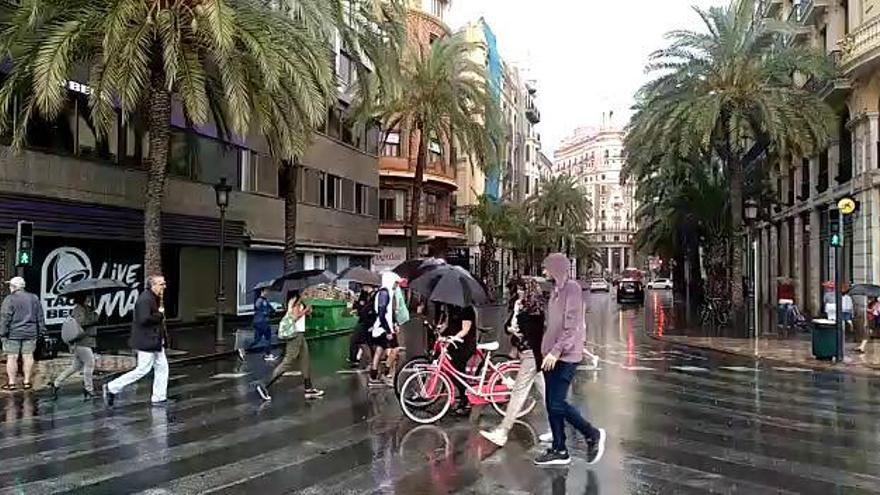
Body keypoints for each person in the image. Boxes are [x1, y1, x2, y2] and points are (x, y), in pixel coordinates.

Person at [535, 253, 606, 466]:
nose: (544, 271)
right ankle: (559, 448)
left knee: (557, 403)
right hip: (550, 356)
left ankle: (592, 433)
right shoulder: (555, 291)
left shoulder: (572, 289)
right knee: (551, 403)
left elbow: (572, 325)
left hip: (566, 356)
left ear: (556, 267)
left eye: (546, 267)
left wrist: (556, 351)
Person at [481, 278, 551, 447]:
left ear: (529, 291)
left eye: (522, 289)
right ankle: (557, 429)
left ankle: (503, 431)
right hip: (529, 354)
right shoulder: (522, 305)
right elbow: (508, 326)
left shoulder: (533, 310)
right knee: (547, 393)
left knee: (518, 394)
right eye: (518, 289)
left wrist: (519, 332)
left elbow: (532, 334)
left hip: (531, 355)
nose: (518, 292)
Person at [104, 275, 170, 407]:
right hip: (147, 341)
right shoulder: (145, 299)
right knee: (142, 369)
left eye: (164, 283)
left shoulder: (153, 298)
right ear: (153, 285)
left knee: (162, 367)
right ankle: (111, 387)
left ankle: (159, 397)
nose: (164, 287)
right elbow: (144, 319)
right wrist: (160, 315)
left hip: (154, 341)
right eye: (161, 284)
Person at [256, 292, 324, 401]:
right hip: (295, 335)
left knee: (305, 360)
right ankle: (264, 385)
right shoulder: (294, 302)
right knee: (288, 361)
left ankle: (308, 388)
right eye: (303, 291)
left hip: (300, 335)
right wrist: (305, 310)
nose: (304, 292)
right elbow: (294, 317)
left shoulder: (299, 302)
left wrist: (307, 310)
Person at [0, 276, 45, 391]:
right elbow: (39, 316)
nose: (9, 287)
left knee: (12, 357)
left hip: (12, 334)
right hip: (30, 332)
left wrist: (2, 333)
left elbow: (5, 318)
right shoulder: (34, 298)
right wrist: (40, 331)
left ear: (14, 287)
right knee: (28, 356)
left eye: (10, 285)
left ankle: (12, 383)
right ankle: (26, 382)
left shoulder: (9, 299)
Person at [51, 294, 99, 399]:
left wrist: (93, 312)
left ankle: (57, 382)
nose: (89, 299)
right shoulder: (78, 309)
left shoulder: (86, 308)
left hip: (85, 341)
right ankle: (89, 389)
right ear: (82, 298)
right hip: (82, 341)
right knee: (90, 364)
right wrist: (94, 316)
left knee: (75, 367)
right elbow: (82, 322)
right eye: (87, 297)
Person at [443, 303, 477, 414]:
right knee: (451, 370)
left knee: (458, 370)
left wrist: (453, 338)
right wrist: (441, 333)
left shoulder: (467, 309)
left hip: (465, 344)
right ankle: (462, 395)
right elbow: (449, 325)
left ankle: (465, 400)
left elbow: (465, 329)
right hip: (455, 343)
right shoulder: (451, 307)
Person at [369, 272, 400, 387]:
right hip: (384, 327)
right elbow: (382, 313)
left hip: (381, 326)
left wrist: (395, 323)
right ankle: (385, 373)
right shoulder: (385, 293)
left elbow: (388, 312)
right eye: (396, 283)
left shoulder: (385, 292)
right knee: (395, 349)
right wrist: (388, 330)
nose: (396, 286)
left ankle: (373, 376)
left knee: (379, 350)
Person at [240, 288, 276, 362]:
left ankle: (244, 349)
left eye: (268, 291)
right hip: (261, 322)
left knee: (261, 339)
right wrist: (266, 312)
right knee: (265, 338)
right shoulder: (260, 300)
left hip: (261, 322)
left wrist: (272, 310)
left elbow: (271, 309)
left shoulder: (265, 300)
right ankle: (267, 354)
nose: (267, 292)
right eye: (266, 291)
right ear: (262, 292)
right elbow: (258, 308)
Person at [347, 283, 376, 368]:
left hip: (369, 321)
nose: (362, 287)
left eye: (363, 286)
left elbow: (371, 309)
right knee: (362, 341)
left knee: (359, 341)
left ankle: (368, 361)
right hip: (363, 320)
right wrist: (354, 305)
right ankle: (357, 359)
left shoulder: (375, 296)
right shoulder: (364, 294)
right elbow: (360, 306)